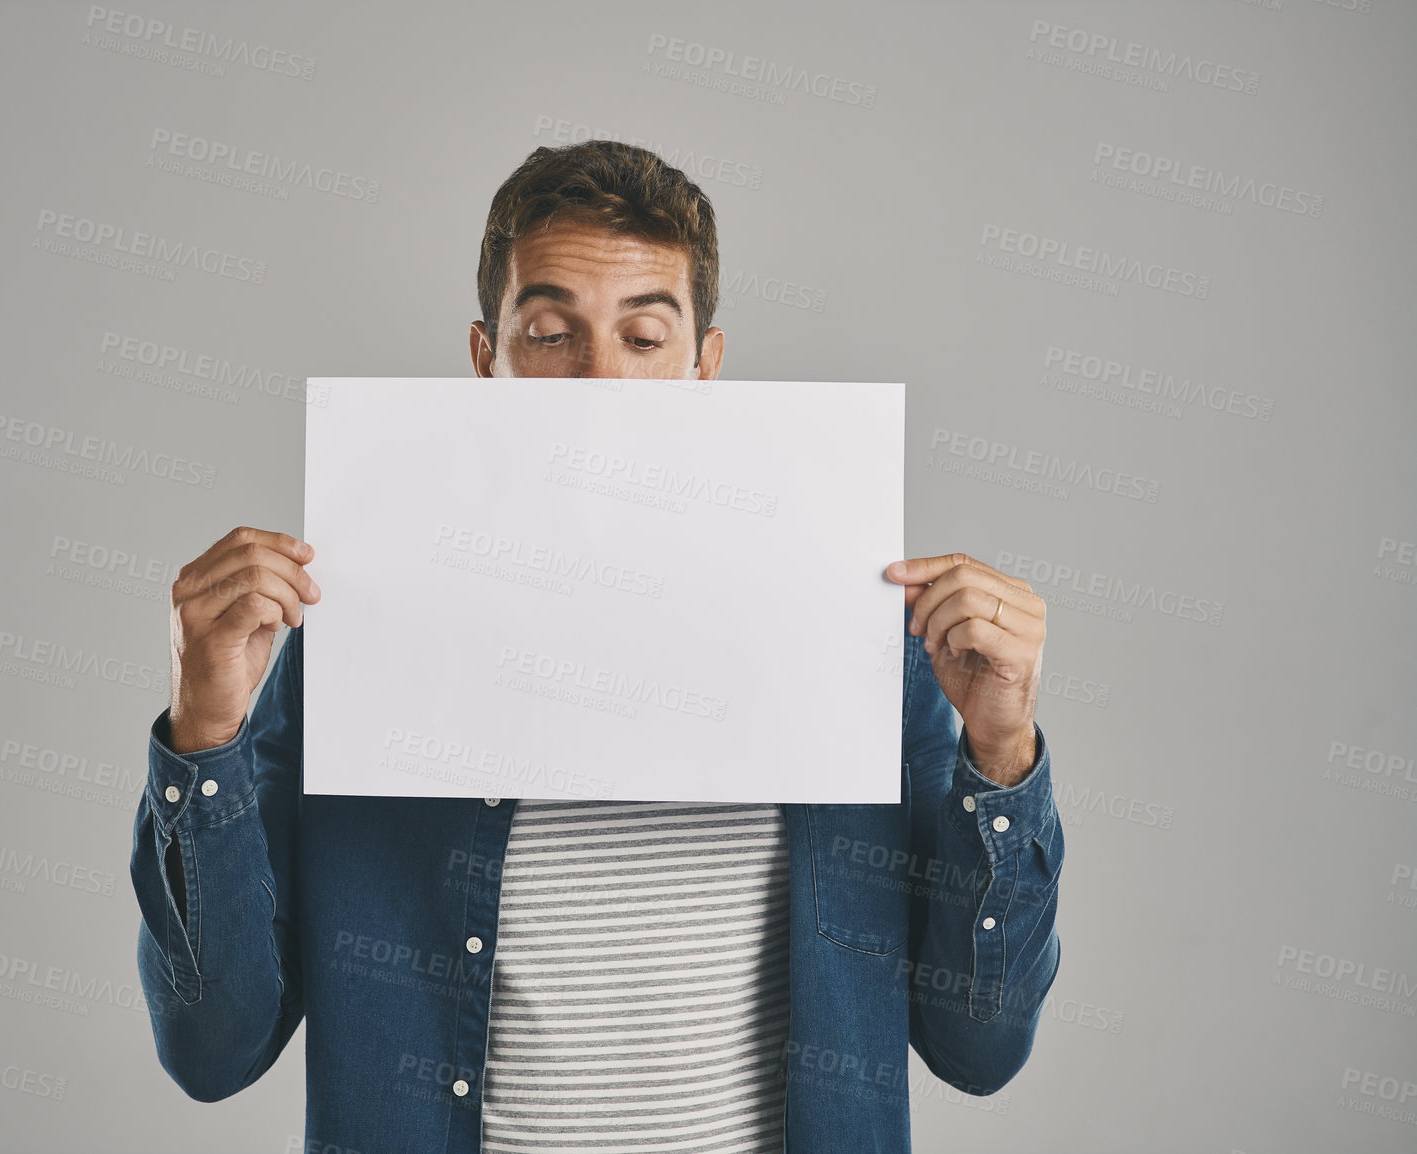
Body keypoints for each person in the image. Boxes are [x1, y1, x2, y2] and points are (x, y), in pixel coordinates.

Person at [130, 140, 1062, 1154]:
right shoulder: (354, 644)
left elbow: (980, 1046)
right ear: (487, 361)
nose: (598, 382)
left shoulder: (862, 647)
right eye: (549, 333)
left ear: (704, 367)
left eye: (644, 338)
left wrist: (1000, 752)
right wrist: (206, 731)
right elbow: (213, 1046)